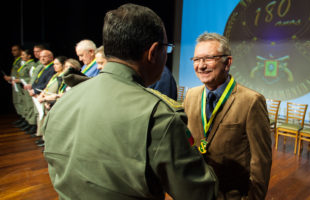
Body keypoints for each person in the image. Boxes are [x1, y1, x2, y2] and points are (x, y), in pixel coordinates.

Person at [43, 4, 217, 200]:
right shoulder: (159, 116)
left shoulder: (65, 101)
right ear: (153, 52)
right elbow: (199, 194)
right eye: (166, 49)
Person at [183, 32, 272, 200]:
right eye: (196, 59)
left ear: (227, 62)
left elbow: (261, 162)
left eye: (209, 58)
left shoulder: (251, 101)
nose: (201, 66)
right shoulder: (191, 96)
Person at [12, 49, 37, 134]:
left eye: (23, 55)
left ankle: (32, 124)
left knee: (30, 106)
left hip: (29, 88)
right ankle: (28, 121)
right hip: (24, 87)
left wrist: (20, 80)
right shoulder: (25, 64)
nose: (21, 56)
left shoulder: (32, 65)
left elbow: (32, 78)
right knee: (26, 105)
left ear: (29, 56)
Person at [3, 45, 23, 126]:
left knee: (21, 102)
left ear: (20, 50)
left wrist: (11, 78)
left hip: (20, 84)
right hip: (15, 84)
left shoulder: (21, 61)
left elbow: (22, 74)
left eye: (15, 50)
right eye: (12, 50)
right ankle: (22, 118)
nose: (13, 52)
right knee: (17, 101)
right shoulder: (16, 60)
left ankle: (25, 119)